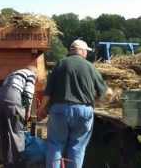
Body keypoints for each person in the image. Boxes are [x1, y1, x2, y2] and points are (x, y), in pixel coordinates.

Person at [37, 39, 113, 168]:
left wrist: (41, 109)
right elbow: (107, 93)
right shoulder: (90, 66)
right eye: (86, 52)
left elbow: (47, 93)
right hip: (83, 110)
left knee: (55, 144)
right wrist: (100, 103)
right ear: (82, 51)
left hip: (59, 110)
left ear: (71, 51)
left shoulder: (60, 64)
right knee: (77, 147)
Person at [0, 66, 37, 167]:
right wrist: (27, 111)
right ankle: (19, 163)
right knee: (17, 132)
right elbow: (28, 93)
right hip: (13, 101)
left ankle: (7, 162)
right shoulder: (30, 74)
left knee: (4, 133)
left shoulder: (12, 74)